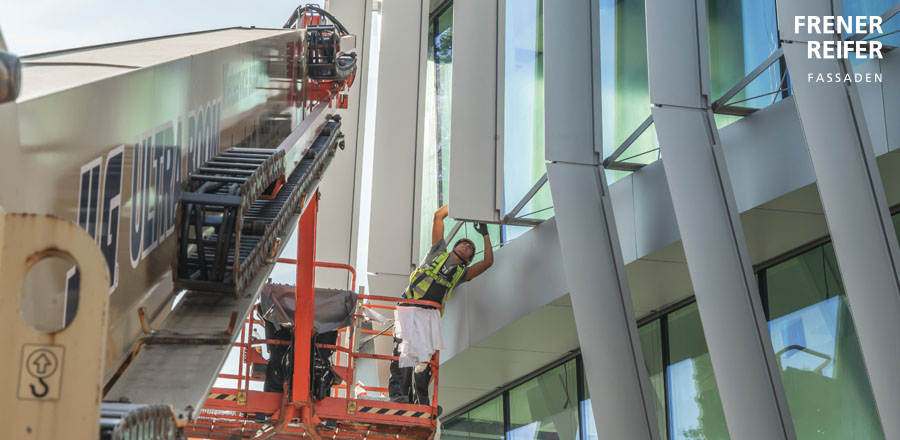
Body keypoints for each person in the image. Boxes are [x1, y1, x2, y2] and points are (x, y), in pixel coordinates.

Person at [388, 204, 494, 405]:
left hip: (429, 317)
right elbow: (438, 216)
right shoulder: (438, 251)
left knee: (423, 362)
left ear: (469, 259)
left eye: (470, 248)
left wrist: (486, 235)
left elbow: (488, 262)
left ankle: (421, 402)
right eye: (463, 243)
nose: (466, 246)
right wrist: (463, 201)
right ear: (455, 246)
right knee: (402, 353)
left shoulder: (461, 274)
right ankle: (397, 396)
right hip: (409, 309)